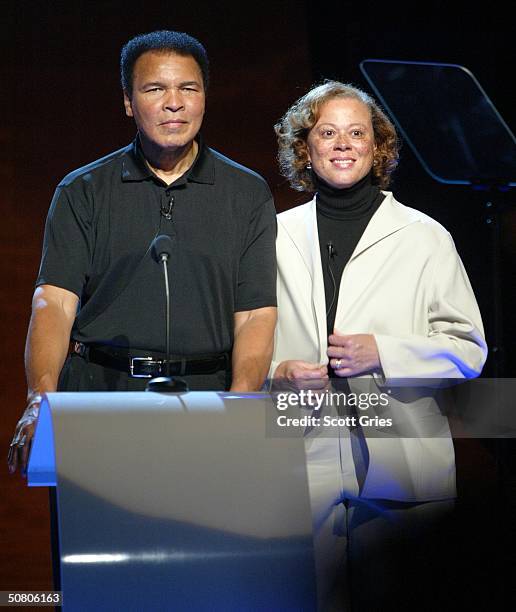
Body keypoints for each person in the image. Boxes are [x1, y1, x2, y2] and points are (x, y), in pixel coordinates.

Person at [8, 30, 277, 475]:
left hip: (208, 403)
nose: (175, 102)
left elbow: (255, 314)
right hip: (99, 397)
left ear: (204, 97)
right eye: (155, 89)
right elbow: (53, 302)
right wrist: (41, 401)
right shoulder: (82, 191)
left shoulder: (247, 193)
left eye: (188, 88)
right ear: (129, 102)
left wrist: (242, 405)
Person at [271, 81, 487, 610]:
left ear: (377, 147)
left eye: (357, 132)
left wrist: (384, 353)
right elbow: (248, 344)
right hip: (304, 452)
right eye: (328, 132)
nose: (343, 144)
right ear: (306, 147)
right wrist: (278, 372)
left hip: (401, 454)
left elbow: (469, 348)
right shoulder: (273, 235)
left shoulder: (424, 236)